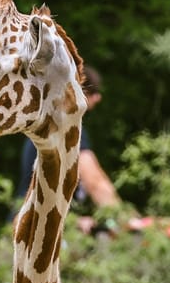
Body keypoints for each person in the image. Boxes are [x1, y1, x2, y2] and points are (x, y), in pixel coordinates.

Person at [17, 64, 119, 220]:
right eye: (93, 92)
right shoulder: (64, 128)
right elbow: (94, 181)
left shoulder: (47, 125)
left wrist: (77, 221)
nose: (98, 98)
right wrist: (124, 217)